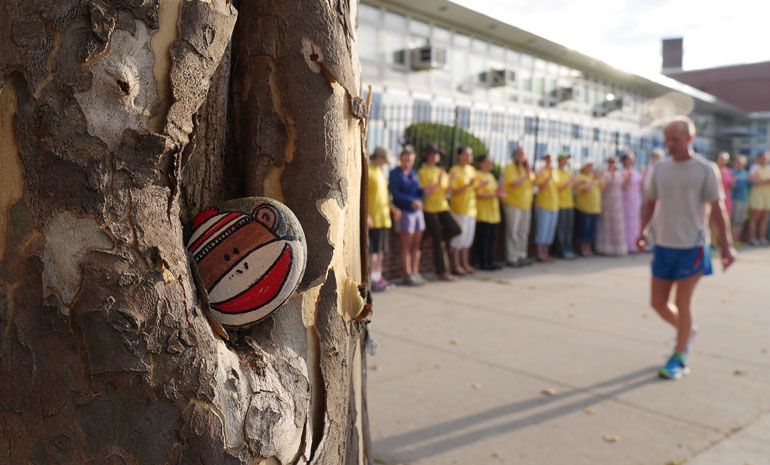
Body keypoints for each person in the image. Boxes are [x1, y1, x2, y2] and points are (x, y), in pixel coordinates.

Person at [638, 116, 735, 380]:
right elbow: (650, 201)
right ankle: (686, 330)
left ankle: (679, 357)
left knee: (683, 301)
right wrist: (643, 230)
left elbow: (718, 209)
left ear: (689, 139)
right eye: (666, 139)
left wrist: (727, 247)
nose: (669, 144)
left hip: (692, 245)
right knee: (658, 303)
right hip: (664, 244)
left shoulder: (705, 169)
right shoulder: (661, 169)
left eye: (675, 140)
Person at [418, 144, 462, 281]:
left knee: (457, 228)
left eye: (438, 153)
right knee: (438, 241)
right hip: (430, 208)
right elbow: (426, 192)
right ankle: (442, 271)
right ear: (428, 155)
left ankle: (439, 237)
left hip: (443, 206)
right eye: (434, 153)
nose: (437, 155)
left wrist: (450, 180)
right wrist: (438, 182)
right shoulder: (423, 171)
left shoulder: (441, 171)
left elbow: (446, 191)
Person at [389, 147, 426, 285]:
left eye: (409, 161)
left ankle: (415, 272)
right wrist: (412, 201)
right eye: (405, 160)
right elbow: (396, 194)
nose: (407, 163)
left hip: (417, 212)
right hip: (405, 212)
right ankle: (407, 274)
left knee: (416, 245)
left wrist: (423, 193)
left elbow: (416, 191)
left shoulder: (413, 174)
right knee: (406, 245)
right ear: (400, 159)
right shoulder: (394, 173)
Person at [368, 147, 400, 292]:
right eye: (384, 159)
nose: (386, 162)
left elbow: (384, 196)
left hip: (383, 217)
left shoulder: (380, 172)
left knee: (380, 250)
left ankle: (377, 275)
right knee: (373, 250)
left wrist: (393, 209)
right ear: (379, 157)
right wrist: (367, 215)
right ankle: (372, 278)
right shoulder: (369, 171)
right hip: (373, 218)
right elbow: (364, 195)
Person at [501, 147, 535, 267]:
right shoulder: (510, 168)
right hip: (513, 204)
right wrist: (526, 175)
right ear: (514, 155)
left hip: (526, 205)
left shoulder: (527, 169)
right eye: (519, 153)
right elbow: (513, 183)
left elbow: (534, 183)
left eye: (523, 153)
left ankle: (522, 255)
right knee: (512, 232)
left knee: (523, 232)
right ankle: (512, 257)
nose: (521, 156)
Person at [448, 146, 478, 275]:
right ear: (459, 156)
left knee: (467, 240)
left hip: (471, 209)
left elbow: (475, 188)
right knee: (458, 240)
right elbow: (452, 191)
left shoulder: (472, 170)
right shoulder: (454, 171)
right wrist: (467, 185)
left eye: (470, 154)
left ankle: (465, 263)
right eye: (466, 154)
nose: (469, 157)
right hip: (459, 209)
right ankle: (455, 265)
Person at [473, 154, 503, 270]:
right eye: (487, 161)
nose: (490, 164)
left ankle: (490, 261)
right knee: (483, 239)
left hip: (493, 213)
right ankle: (483, 262)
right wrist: (493, 194)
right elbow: (477, 193)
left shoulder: (491, 176)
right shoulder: (477, 175)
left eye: (491, 161)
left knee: (491, 239)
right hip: (483, 213)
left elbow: (496, 192)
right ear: (480, 163)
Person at [596, 155, 628, 256]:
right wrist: (610, 181)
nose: (612, 163)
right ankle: (606, 248)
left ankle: (617, 248)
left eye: (614, 161)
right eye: (610, 161)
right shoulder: (604, 174)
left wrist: (628, 179)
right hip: (607, 201)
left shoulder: (619, 174)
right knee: (607, 223)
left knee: (617, 223)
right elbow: (602, 188)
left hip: (617, 202)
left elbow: (624, 187)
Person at [533, 153, 560, 263]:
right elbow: (539, 186)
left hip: (554, 206)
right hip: (543, 205)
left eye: (551, 158)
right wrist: (548, 177)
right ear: (544, 159)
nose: (550, 160)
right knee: (542, 230)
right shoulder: (541, 171)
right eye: (548, 158)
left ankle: (546, 253)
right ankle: (540, 254)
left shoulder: (556, 172)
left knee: (550, 231)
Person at [574, 161, 601, 256]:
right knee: (584, 229)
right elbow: (586, 189)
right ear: (584, 167)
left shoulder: (594, 177)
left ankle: (589, 248)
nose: (591, 168)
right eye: (589, 166)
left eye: (592, 166)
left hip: (595, 208)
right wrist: (594, 180)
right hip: (584, 208)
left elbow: (602, 188)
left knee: (592, 230)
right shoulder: (580, 177)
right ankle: (582, 249)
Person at [554, 153, 576, 258]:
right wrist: (569, 182)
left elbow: (572, 185)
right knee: (561, 228)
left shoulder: (568, 172)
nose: (567, 161)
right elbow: (558, 187)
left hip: (569, 203)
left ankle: (568, 248)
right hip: (561, 204)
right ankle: (561, 250)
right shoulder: (556, 172)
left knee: (568, 228)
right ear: (560, 160)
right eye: (565, 159)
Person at [621, 152, 643, 253]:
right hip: (626, 199)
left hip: (635, 199)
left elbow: (641, 186)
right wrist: (628, 179)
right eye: (628, 159)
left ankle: (635, 244)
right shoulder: (622, 172)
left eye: (632, 159)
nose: (630, 161)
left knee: (635, 223)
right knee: (627, 223)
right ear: (624, 161)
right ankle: (627, 244)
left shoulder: (637, 172)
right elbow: (624, 187)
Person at [747, 151, 770, 246]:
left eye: (767, 157)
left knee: (764, 218)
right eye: (764, 157)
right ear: (759, 158)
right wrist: (766, 181)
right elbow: (755, 181)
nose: (765, 159)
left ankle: (762, 238)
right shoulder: (754, 167)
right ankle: (752, 238)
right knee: (755, 218)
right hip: (757, 196)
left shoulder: (769, 168)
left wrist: (763, 181)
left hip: (767, 196)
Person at [730, 155, 750, 244]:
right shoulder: (732, 173)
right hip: (735, 200)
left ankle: (737, 240)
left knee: (741, 221)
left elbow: (749, 186)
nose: (739, 164)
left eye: (741, 163)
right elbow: (732, 187)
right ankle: (732, 240)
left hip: (744, 200)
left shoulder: (746, 173)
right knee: (734, 220)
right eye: (738, 162)